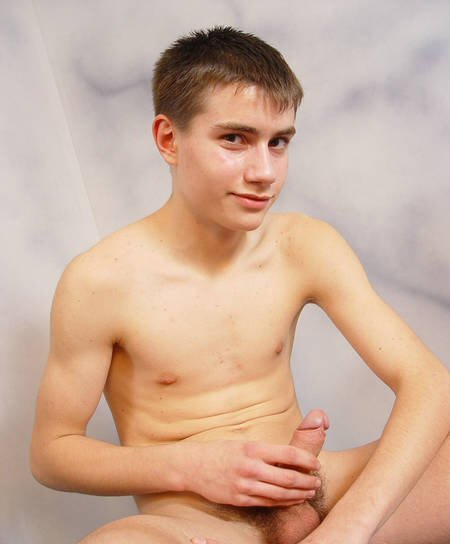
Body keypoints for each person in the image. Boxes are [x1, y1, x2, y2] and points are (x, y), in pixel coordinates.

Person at [30, 27, 449, 544]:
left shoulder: (303, 244)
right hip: (202, 525)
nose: (264, 172)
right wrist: (190, 465)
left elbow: (429, 382)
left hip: (326, 495)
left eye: (279, 143)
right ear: (168, 139)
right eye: (235, 139)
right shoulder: (100, 281)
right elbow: (52, 452)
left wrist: (347, 530)